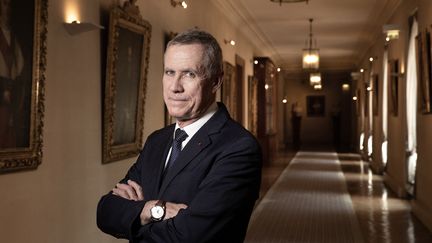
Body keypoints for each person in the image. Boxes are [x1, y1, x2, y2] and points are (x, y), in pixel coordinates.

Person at [97, 29, 262, 242]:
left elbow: (190, 236)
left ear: (216, 81)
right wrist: (155, 210)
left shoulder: (239, 148)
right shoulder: (157, 140)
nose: (175, 87)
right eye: (169, 72)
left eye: (189, 74)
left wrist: (135, 215)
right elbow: (105, 212)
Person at [0, 0, 25, 148]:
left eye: (10, 4)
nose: (7, 8)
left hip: (12, 92)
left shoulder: (14, 37)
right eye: (4, 3)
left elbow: (19, 66)